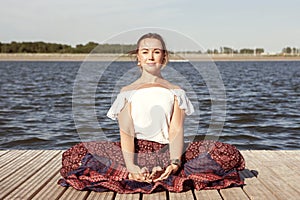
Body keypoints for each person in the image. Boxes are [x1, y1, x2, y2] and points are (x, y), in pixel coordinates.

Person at [58, 33, 245, 193]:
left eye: (156, 52)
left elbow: (176, 130)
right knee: (76, 154)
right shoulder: (126, 92)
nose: (150, 57)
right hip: (135, 151)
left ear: (164, 57)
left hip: (167, 151)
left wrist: (174, 163)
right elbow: (127, 132)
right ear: (138, 57)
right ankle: (136, 172)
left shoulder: (176, 92)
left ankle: (164, 171)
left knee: (227, 152)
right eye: (145, 52)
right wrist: (131, 165)